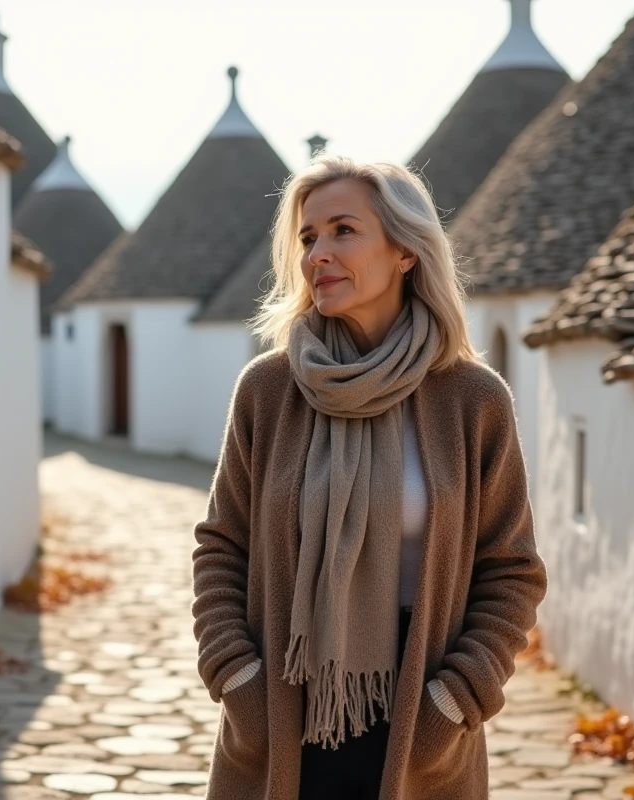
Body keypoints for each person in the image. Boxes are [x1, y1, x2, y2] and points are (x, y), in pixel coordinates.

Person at [191, 155, 547, 800]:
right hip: (278, 708)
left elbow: (511, 570)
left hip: (422, 714)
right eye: (307, 238)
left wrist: (455, 700)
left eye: (343, 231)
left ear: (406, 251)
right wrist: (236, 677)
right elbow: (221, 545)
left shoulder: (473, 399)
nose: (317, 254)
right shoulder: (267, 390)